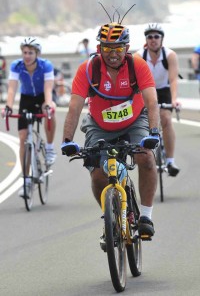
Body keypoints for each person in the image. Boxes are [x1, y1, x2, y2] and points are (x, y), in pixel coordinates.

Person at [61, 22, 160, 246]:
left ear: (127, 48)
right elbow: (75, 107)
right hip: (99, 125)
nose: (112, 54)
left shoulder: (138, 65)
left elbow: (152, 102)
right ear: (99, 48)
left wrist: (153, 132)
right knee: (97, 175)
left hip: (135, 121)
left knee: (145, 157)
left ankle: (145, 215)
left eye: (117, 48)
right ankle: (110, 218)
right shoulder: (88, 69)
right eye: (107, 49)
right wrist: (67, 140)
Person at [3, 37, 57, 197]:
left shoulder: (45, 65)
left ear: (37, 54)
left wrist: (48, 104)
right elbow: (12, 89)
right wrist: (8, 106)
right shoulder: (16, 66)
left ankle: (49, 147)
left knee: (50, 109)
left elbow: (48, 89)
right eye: (25, 52)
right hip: (26, 98)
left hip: (42, 96)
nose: (27, 56)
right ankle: (26, 179)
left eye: (30, 53)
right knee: (22, 137)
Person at [137, 23, 180, 177]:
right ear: (146, 40)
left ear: (162, 39)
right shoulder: (139, 56)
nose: (153, 39)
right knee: (145, 122)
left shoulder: (170, 55)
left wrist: (174, 100)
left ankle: (170, 160)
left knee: (166, 119)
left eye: (156, 36)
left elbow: (173, 80)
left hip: (163, 90)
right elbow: (134, 82)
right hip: (146, 91)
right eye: (149, 37)